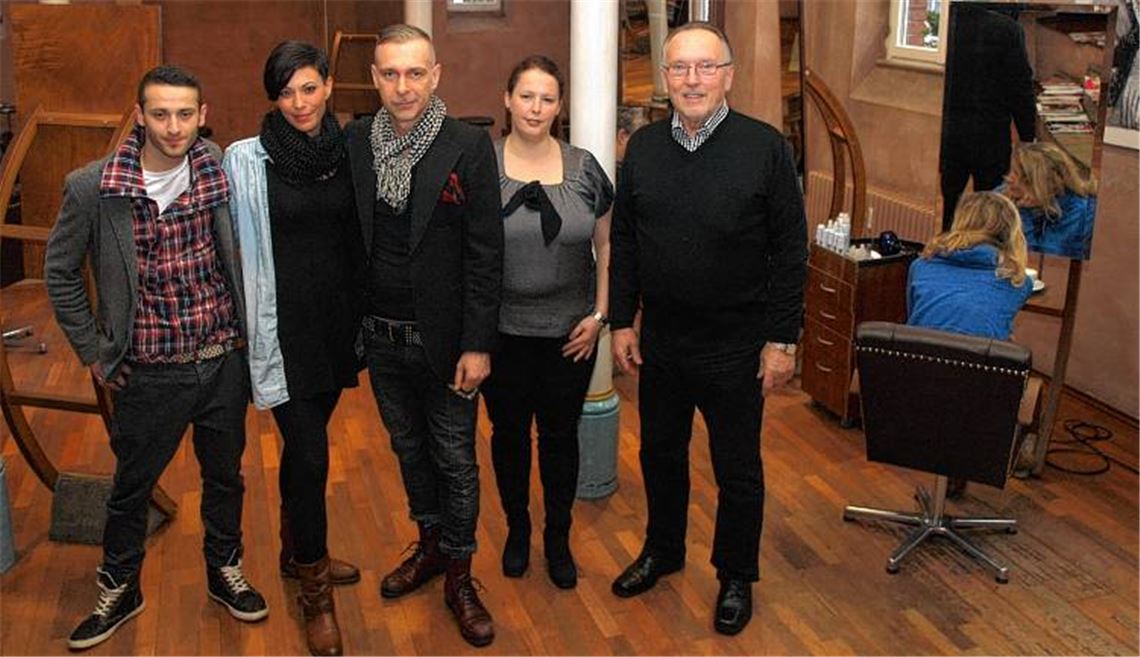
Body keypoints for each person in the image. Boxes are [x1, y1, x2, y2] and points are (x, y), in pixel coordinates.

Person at [44, 66, 267, 651]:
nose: (174, 127)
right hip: (148, 371)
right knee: (131, 487)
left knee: (226, 476)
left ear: (202, 114)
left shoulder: (214, 166)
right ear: (139, 115)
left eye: (185, 114)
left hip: (221, 358)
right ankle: (120, 586)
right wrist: (93, 350)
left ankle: (225, 569)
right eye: (161, 114)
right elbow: (60, 273)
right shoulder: (93, 187)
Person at [608, 22, 807, 636]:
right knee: (660, 455)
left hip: (736, 346)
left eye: (705, 67)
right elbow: (626, 240)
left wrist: (782, 340)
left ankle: (735, 575)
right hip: (664, 341)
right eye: (679, 68)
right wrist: (621, 320)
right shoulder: (642, 149)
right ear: (665, 78)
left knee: (737, 469)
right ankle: (664, 551)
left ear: (729, 75)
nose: (692, 79)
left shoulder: (765, 148)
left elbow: (790, 248)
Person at [345, 24, 502, 647]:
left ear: (435, 75)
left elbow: (486, 253)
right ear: (375, 78)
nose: (402, 86)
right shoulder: (357, 140)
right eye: (390, 74)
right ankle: (432, 546)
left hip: (446, 343)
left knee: (455, 459)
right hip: (381, 338)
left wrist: (478, 342)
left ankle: (461, 574)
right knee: (409, 450)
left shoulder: (467, 145)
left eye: (415, 73)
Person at [222, 41, 366, 656]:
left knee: (307, 451)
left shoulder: (351, 149)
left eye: (309, 88)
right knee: (308, 457)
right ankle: (315, 594)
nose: (299, 103)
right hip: (280, 329)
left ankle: (293, 549)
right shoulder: (245, 160)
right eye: (285, 92)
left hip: (338, 329)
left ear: (329, 85)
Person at [483, 55, 614, 590]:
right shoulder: (481, 165)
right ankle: (518, 530)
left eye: (547, 98)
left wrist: (600, 316)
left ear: (560, 106)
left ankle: (557, 538)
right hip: (502, 333)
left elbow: (608, 246)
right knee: (509, 436)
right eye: (526, 96)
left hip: (570, 336)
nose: (536, 107)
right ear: (507, 100)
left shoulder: (584, 168)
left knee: (560, 439)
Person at [939, 3, 1037, 231]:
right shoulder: (1007, 29)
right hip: (990, 132)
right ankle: (981, 259)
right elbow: (1020, 87)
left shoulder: (949, 25)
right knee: (990, 213)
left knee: (949, 210)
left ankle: (948, 254)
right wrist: (1027, 135)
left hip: (951, 130)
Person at [908, 191, 1034, 341]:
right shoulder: (1018, 282)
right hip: (981, 360)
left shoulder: (921, 267)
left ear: (960, 222)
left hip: (918, 359)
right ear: (1011, 232)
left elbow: (916, 320)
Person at [1004, 141, 1098, 260]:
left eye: (1016, 174)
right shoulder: (1011, 190)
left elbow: (1045, 258)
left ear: (1038, 182)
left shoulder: (1078, 211)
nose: (1009, 179)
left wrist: (1023, 212)